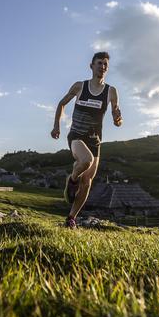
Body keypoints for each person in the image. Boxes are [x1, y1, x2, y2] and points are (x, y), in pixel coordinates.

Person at [51, 51, 122, 228]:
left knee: (88, 182)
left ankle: (71, 218)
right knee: (86, 161)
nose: (102, 67)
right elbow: (62, 103)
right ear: (91, 66)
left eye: (105, 64)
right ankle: (72, 179)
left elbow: (116, 116)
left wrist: (118, 119)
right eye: (99, 63)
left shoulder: (111, 92)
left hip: (95, 140)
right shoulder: (79, 86)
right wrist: (56, 126)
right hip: (76, 135)